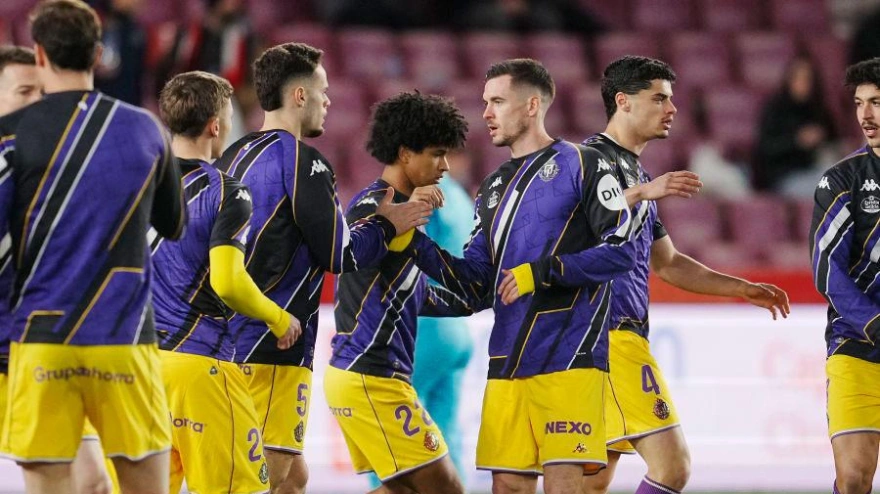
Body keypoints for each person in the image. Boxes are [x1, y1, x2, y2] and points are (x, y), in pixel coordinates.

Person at [393, 58, 637, 494]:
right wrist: (413, 260)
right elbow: (475, 284)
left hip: (569, 360)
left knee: (564, 486)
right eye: (485, 102)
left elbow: (622, 252)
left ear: (531, 105)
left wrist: (541, 272)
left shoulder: (586, 164)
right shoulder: (492, 187)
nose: (485, 112)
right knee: (508, 488)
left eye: (497, 101)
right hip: (506, 364)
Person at [213, 42, 431, 494]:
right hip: (274, 344)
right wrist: (386, 225)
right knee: (266, 478)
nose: (328, 101)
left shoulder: (231, 157)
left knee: (293, 476)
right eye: (322, 90)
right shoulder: (303, 162)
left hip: (229, 338)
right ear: (298, 97)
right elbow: (342, 255)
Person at [575, 55, 791, 494]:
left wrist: (741, 287)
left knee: (586, 484)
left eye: (671, 99)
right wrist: (641, 193)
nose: (672, 109)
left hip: (605, 340)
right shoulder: (588, 161)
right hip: (606, 336)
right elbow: (569, 227)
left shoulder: (634, 170)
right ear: (624, 102)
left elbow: (667, 262)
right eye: (659, 98)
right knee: (672, 466)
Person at [0, 1, 186, 494]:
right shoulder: (147, 128)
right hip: (124, 340)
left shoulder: (11, 134)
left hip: (42, 341)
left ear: (39, 55)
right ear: (99, 54)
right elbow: (173, 225)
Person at [153, 70, 304, 494]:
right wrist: (278, 318)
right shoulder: (226, 191)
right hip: (201, 363)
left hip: (141, 364)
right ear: (216, 126)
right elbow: (228, 281)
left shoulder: (139, 185)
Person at [327, 91, 471, 494]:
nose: (445, 166)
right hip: (370, 374)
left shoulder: (404, 210)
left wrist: (484, 296)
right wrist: (389, 226)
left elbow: (415, 290)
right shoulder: (376, 208)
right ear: (405, 153)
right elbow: (351, 254)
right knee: (446, 489)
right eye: (436, 154)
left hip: (374, 375)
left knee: (406, 489)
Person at [0, 43, 119, 494]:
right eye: (24, 92)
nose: (38, 105)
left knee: (92, 484)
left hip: (45, 351)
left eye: (43, 93)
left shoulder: (69, 171)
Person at [810, 56, 880, 494]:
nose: (866, 115)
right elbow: (826, 270)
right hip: (857, 346)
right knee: (853, 478)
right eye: (859, 104)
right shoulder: (842, 180)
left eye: (877, 102)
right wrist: (875, 323)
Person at [754, 55, 838, 196]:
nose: (803, 84)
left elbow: (834, 141)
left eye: (808, 79)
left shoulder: (818, 110)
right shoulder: (775, 109)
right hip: (783, 177)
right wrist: (797, 141)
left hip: (815, 170)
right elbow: (765, 148)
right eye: (798, 78)